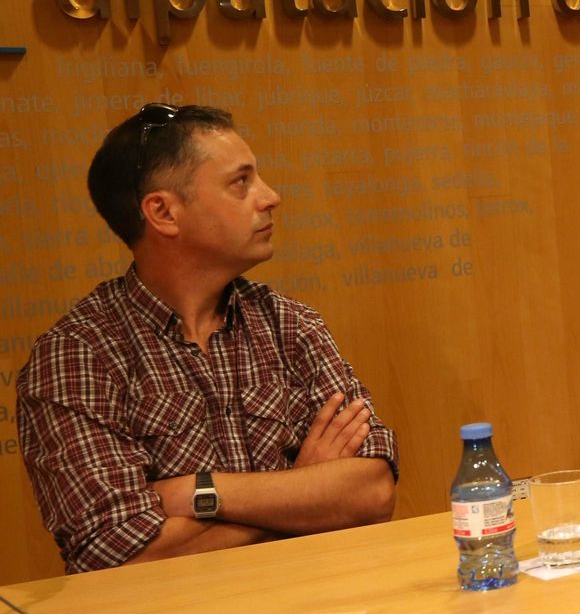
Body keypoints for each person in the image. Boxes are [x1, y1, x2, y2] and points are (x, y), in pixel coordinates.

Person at [17, 104, 397, 573]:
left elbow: (372, 491)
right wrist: (297, 487)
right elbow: (121, 553)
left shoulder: (288, 323)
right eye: (241, 183)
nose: (270, 197)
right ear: (163, 213)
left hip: (320, 606)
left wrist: (200, 491)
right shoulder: (77, 356)